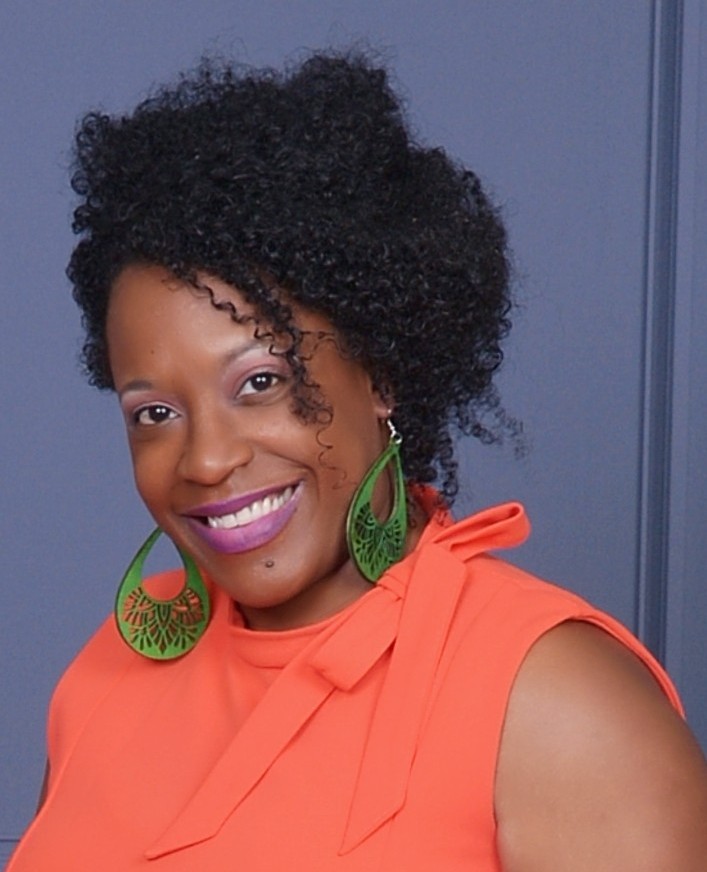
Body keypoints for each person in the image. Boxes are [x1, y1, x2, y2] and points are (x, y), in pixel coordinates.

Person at [8, 51, 707, 872]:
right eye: (155, 413)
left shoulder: (558, 705)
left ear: (380, 371)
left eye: (260, 382)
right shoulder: (107, 673)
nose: (204, 459)